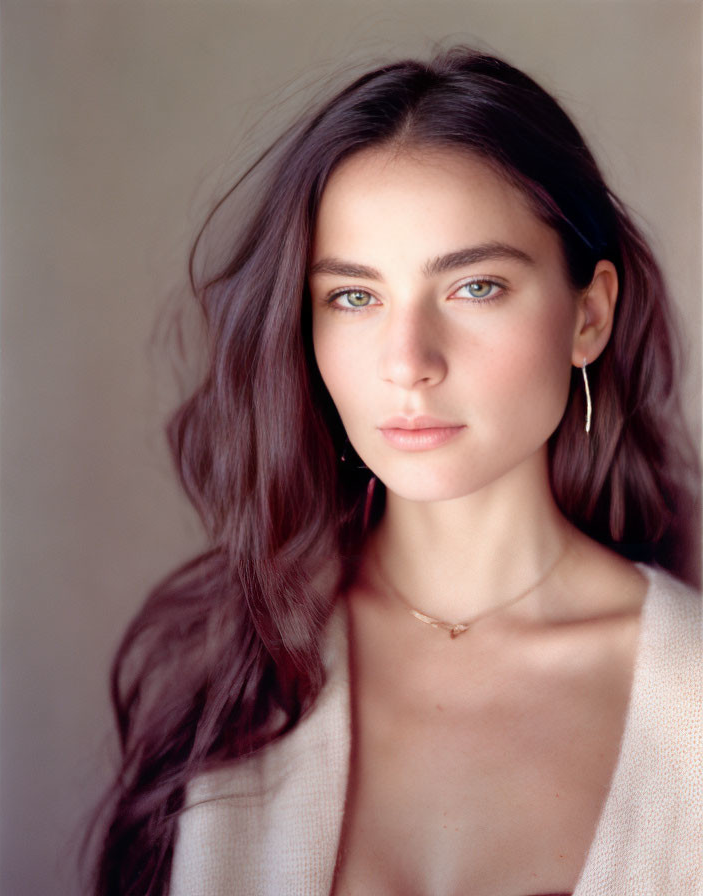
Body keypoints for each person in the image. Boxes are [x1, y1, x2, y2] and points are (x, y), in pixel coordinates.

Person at [90, 47, 701, 896]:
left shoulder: (691, 698)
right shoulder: (231, 662)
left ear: (589, 316)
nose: (407, 362)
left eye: (476, 287)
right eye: (354, 297)